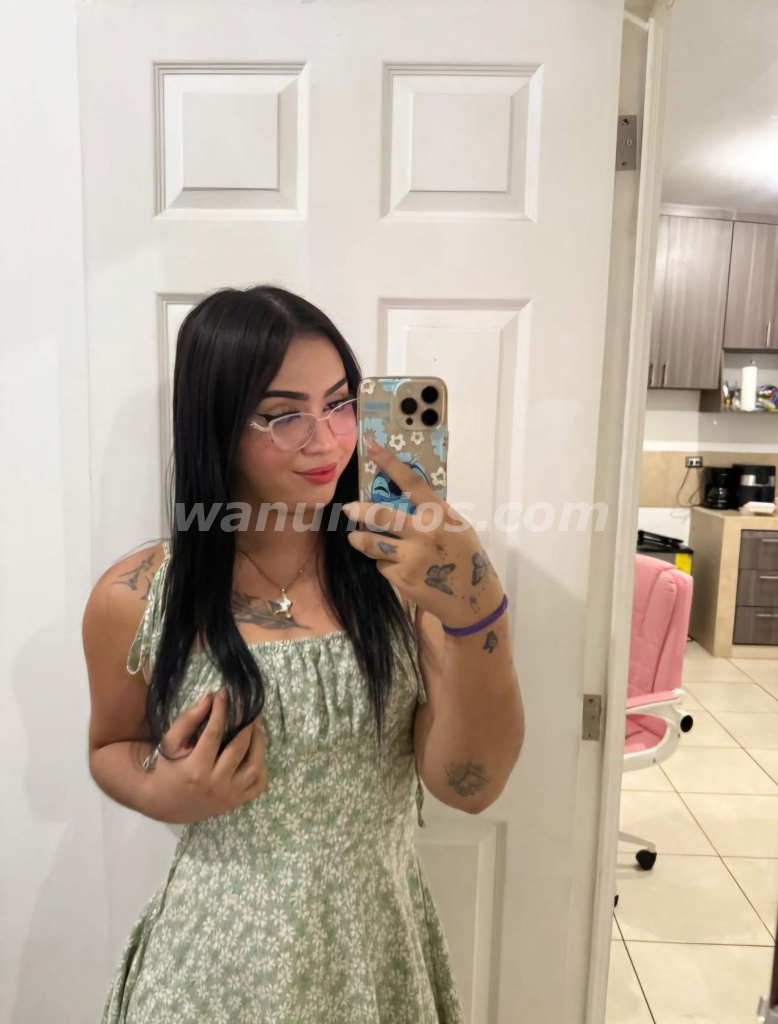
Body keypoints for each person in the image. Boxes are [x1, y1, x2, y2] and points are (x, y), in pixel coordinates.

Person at [82, 285, 525, 1024]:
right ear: (216, 422)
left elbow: (468, 785)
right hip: (210, 971)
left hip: (372, 957)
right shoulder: (137, 597)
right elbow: (110, 745)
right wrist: (162, 792)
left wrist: (475, 607)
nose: (327, 440)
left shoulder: (409, 577)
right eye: (284, 415)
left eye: (342, 402)